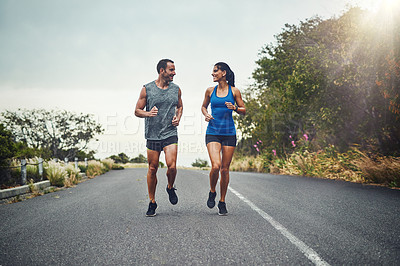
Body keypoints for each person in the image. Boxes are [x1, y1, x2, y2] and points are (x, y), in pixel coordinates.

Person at [135, 59, 183, 217]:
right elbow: (137, 110)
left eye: (174, 70)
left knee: (172, 166)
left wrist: (178, 117)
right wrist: (148, 113)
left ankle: (170, 187)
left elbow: (180, 106)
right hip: (153, 135)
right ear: (162, 71)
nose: (174, 73)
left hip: (170, 132)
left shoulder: (176, 89)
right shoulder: (147, 89)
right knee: (152, 168)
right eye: (171, 70)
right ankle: (152, 202)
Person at [201, 62, 246, 215]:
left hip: (229, 133)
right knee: (216, 166)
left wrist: (235, 108)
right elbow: (203, 106)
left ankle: (222, 201)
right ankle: (212, 191)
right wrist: (206, 114)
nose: (213, 74)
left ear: (223, 73)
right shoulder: (209, 91)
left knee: (225, 169)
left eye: (215, 71)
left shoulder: (234, 91)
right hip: (213, 131)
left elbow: (243, 110)